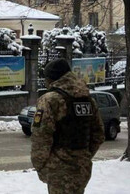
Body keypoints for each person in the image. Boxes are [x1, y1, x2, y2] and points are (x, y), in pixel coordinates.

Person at [31, 58, 105, 194]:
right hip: (82, 168)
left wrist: (40, 166)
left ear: (52, 78)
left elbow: (40, 136)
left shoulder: (50, 100)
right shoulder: (87, 99)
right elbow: (99, 134)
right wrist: (83, 156)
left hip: (59, 169)